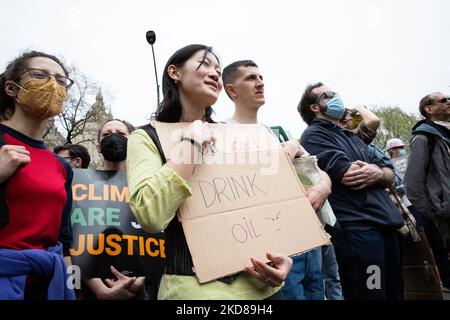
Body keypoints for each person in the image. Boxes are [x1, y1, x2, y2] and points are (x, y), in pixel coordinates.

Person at [127, 44, 293, 300]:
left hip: (265, 287)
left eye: (218, 69)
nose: (215, 73)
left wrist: (283, 256)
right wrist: (189, 145)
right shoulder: (145, 138)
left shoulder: (237, 137)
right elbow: (150, 215)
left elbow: (265, 206)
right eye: (204, 64)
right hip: (196, 293)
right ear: (175, 72)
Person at [222, 59, 332, 300]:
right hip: (274, 250)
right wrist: (283, 155)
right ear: (231, 90)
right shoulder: (221, 133)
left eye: (261, 77)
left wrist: (324, 185)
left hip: (309, 244)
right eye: (250, 78)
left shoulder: (276, 133)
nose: (260, 83)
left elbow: (313, 172)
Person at [298, 82, 404, 300]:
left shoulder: (351, 136)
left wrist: (379, 172)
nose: (337, 97)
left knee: (395, 293)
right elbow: (351, 174)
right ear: (315, 107)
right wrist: (377, 172)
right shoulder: (314, 136)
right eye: (329, 95)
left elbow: (389, 174)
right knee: (372, 294)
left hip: (386, 228)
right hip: (361, 234)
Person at [0, 51, 75, 299]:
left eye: (61, 81)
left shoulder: (61, 167)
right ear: (12, 88)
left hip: (45, 286)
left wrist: (70, 287)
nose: (52, 85)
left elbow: (63, 241)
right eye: (40, 75)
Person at [80, 118, 148, 300]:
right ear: (98, 147)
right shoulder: (82, 184)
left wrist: (141, 277)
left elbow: (153, 234)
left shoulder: (143, 185)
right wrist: (101, 290)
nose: (114, 138)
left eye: (120, 134)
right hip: (93, 288)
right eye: (107, 135)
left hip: (136, 286)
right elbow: (75, 239)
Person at [404, 92, 450, 291]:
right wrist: (436, 211)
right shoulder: (423, 138)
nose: (449, 102)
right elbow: (412, 185)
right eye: (444, 100)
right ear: (429, 109)